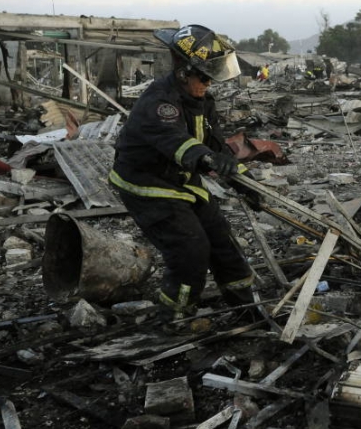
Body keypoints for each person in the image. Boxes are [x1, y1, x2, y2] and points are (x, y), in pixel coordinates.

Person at [108, 24, 260, 320]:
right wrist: (208, 160)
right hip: (148, 185)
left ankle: (245, 310)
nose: (208, 83)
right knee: (190, 250)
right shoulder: (159, 104)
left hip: (182, 181)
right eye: (204, 77)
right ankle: (176, 317)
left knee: (223, 244)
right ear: (183, 71)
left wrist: (243, 180)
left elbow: (215, 143)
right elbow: (180, 144)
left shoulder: (200, 99)